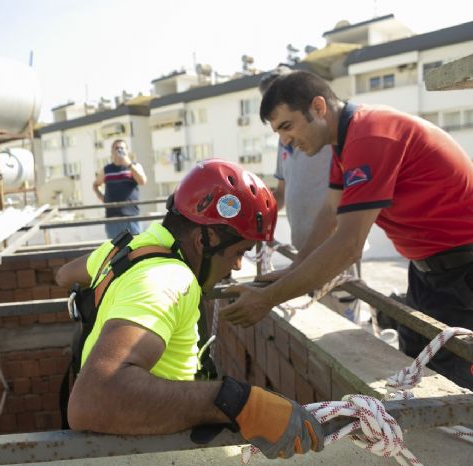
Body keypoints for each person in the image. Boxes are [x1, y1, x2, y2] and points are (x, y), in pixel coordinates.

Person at [222, 70, 473, 389]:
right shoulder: (345, 142)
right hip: (428, 269)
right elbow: (330, 214)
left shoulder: (369, 136)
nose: (285, 142)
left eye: (287, 126)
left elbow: (348, 244)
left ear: (318, 107)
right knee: (415, 371)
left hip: (461, 271)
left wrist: (269, 298)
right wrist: (293, 270)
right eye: (278, 132)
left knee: (448, 385)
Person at [57, 159, 323, 459]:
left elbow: (65, 274)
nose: (236, 266)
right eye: (238, 252)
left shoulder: (126, 249)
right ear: (204, 239)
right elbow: (94, 399)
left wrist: (109, 285)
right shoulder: (170, 279)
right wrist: (241, 404)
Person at [260, 68, 361, 323]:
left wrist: (267, 297)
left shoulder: (338, 135)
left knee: (345, 325)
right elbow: (286, 197)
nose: (284, 136)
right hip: (305, 248)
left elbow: (346, 232)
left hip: (335, 249)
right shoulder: (290, 141)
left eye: (285, 122)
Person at [93, 139, 148, 239]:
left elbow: (142, 181)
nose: (119, 150)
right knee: (115, 251)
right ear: (112, 152)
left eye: (122, 148)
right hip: (112, 218)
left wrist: (128, 164)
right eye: (116, 148)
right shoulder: (107, 169)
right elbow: (96, 185)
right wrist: (103, 198)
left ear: (127, 150)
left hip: (132, 216)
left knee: (135, 248)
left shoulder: (135, 166)